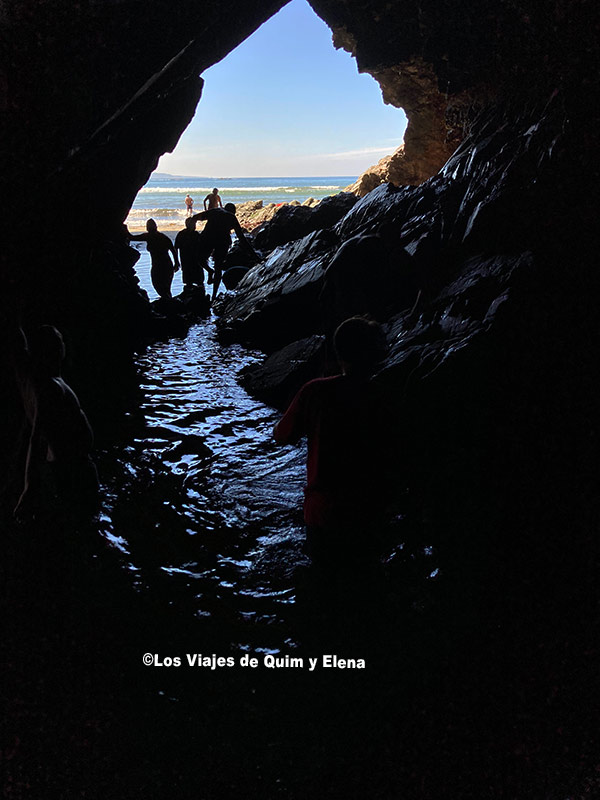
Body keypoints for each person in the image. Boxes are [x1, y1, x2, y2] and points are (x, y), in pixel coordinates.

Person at [273, 316, 388, 567]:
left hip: (322, 511)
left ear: (338, 353)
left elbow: (282, 435)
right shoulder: (382, 395)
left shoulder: (315, 391)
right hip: (367, 510)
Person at [14, 325, 99, 521]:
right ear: (53, 349)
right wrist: (29, 488)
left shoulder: (45, 382)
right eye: (59, 341)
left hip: (70, 466)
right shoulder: (50, 387)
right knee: (84, 522)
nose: (64, 344)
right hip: (72, 469)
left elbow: (19, 348)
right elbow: (37, 439)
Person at [192, 203, 256, 303]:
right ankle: (214, 295)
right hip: (222, 242)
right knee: (218, 267)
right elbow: (242, 238)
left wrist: (192, 230)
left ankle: (209, 270)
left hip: (207, 238)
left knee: (200, 259)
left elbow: (195, 217)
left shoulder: (215, 211)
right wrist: (254, 255)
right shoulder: (232, 218)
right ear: (233, 212)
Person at [127, 218, 179, 300]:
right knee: (165, 288)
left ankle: (168, 305)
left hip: (159, 265)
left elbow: (131, 237)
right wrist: (176, 263)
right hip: (166, 264)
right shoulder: (163, 237)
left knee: (159, 286)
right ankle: (169, 304)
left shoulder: (148, 236)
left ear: (147, 228)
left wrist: (124, 229)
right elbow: (173, 250)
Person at [174, 217, 211, 290]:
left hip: (187, 261)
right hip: (194, 261)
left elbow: (176, 248)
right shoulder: (195, 234)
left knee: (189, 283)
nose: (195, 226)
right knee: (198, 282)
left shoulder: (182, 234)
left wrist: (176, 261)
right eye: (193, 224)